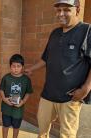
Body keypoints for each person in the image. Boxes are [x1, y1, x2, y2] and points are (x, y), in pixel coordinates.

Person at [26, 0, 91, 138]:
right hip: (48, 94)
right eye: (58, 10)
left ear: (77, 10)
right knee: (42, 131)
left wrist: (86, 88)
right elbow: (46, 58)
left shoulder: (87, 31)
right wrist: (31, 69)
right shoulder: (55, 33)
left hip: (70, 98)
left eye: (66, 10)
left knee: (67, 135)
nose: (61, 13)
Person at [0, 54, 33, 138]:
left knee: (16, 127)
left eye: (18, 66)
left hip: (18, 110)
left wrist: (22, 102)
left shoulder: (26, 79)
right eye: (13, 66)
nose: (16, 68)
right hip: (6, 108)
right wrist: (4, 99)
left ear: (22, 67)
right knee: (5, 125)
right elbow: (1, 90)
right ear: (10, 66)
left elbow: (28, 92)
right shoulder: (6, 78)